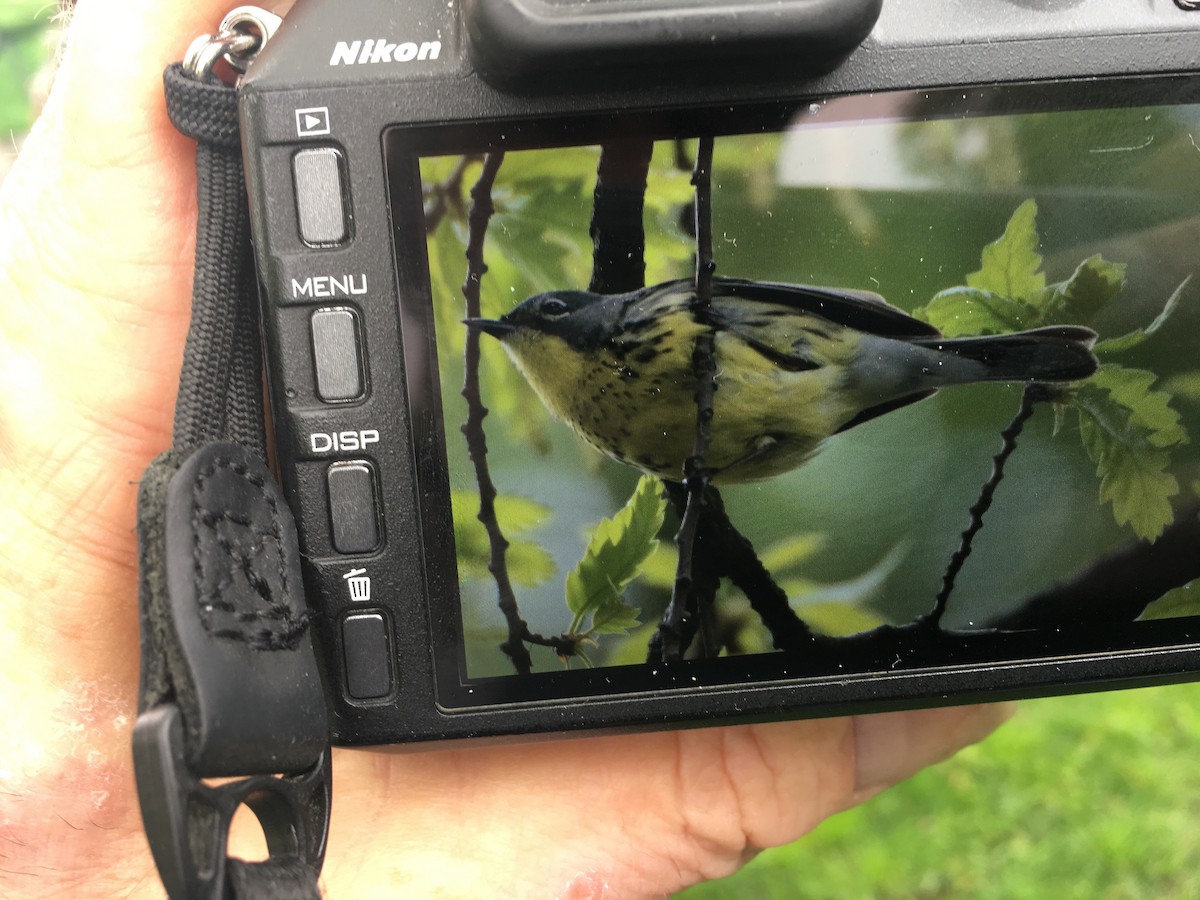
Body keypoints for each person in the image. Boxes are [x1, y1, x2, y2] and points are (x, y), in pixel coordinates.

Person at [0, 0, 1013, 894]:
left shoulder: (649, 317)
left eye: (543, 317)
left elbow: (774, 305)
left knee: (915, 365)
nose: (526, 337)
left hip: (820, 357)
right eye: (514, 331)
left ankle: (990, 360)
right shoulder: (606, 422)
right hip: (796, 413)